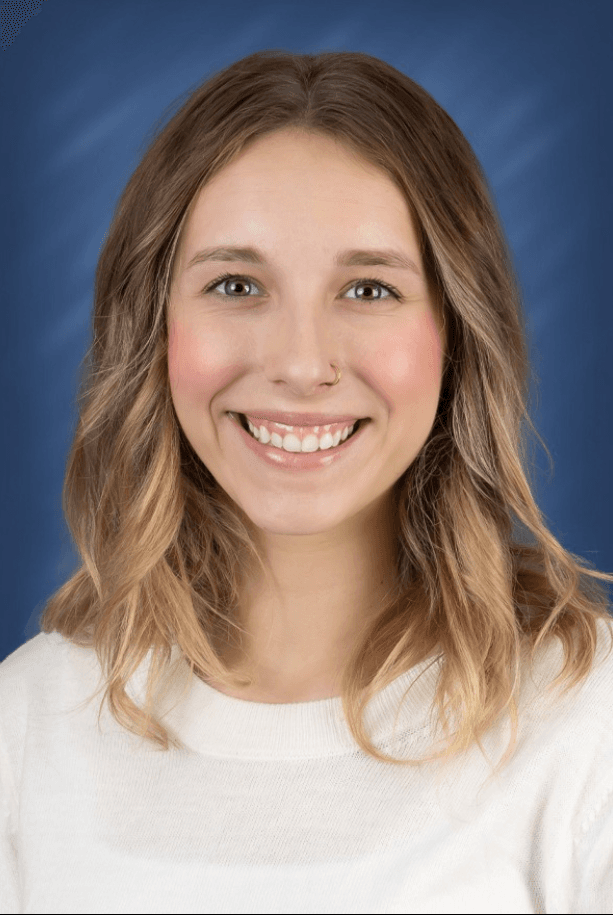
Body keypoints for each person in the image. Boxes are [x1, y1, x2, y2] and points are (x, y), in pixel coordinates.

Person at [1, 49, 612, 914]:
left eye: (367, 287)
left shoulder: (588, 727)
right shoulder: (26, 730)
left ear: (455, 334)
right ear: (153, 326)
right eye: (236, 284)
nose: (298, 362)